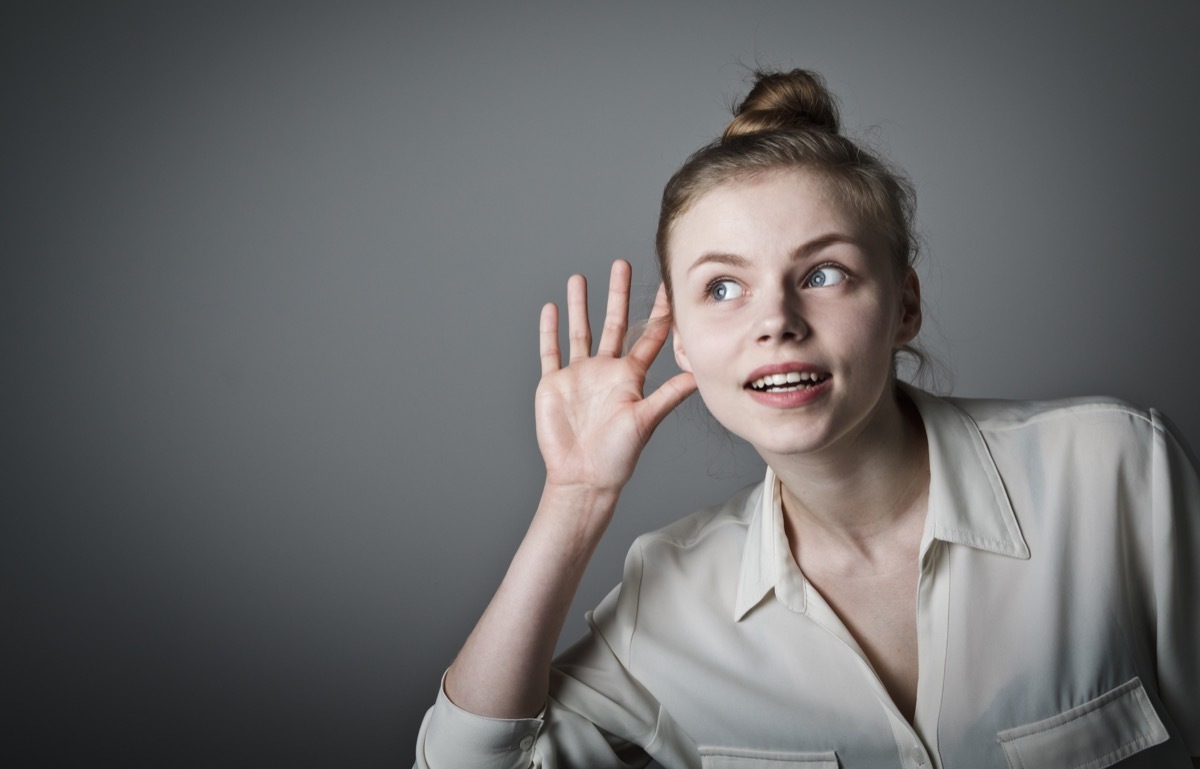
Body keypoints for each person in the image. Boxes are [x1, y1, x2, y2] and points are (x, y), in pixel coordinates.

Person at [413, 69, 1200, 768]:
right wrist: (574, 498)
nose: (776, 320)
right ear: (680, 342)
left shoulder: (1117, 470)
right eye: (723, 287)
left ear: (905, 306)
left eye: (823, 272)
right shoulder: (671, 596)